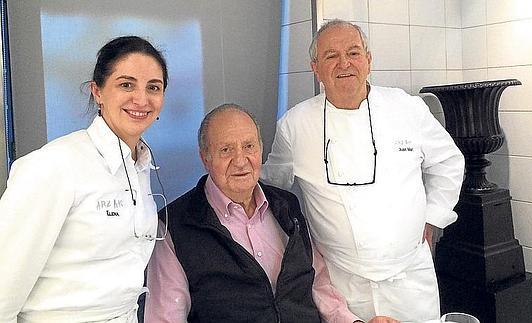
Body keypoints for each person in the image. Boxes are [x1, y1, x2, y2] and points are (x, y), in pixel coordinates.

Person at [261, 19, 465, 322]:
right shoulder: (295, 124)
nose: (344, 63)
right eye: (331, 56)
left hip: (409, 279)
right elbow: (273, 185)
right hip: (342, 283)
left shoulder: (407, 108)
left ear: (368, 61)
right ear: (315, 68)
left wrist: (434, 217)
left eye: (354, 53)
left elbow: (448, 161)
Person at [144, 104, 398, 323]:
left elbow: (318, 286)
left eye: (249, 146)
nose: (241, 160)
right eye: (226, 150)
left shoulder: (288, 206)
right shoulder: (174, 226)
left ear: (260, 150)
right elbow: (166, 316)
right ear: (205, 158)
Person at [0, 36, 169, 322]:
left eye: (153, 87)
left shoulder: (139, 165)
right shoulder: (54, 166)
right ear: (97, 92)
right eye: (126, 84)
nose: (141, 99)